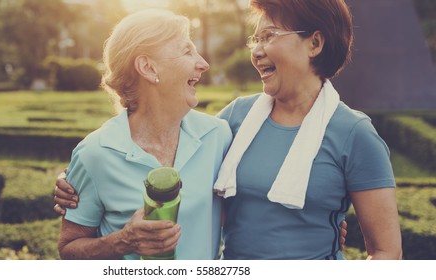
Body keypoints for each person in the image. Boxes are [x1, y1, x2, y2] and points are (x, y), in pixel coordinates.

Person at [54, 0, 400, 260]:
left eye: (269, 36)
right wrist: (74, 182)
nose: (256, 50)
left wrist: (320, 227)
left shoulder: (355, 134)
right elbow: (171, 149)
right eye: (255, 38)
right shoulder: (233, 121)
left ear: (315, 43)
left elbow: (386, 253)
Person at [56, 9, 232, 260]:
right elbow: (68, 250)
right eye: (187, 51)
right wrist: (122, 242)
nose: (204, 64)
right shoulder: (94, 153)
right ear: (148, 67)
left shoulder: (218, 136)